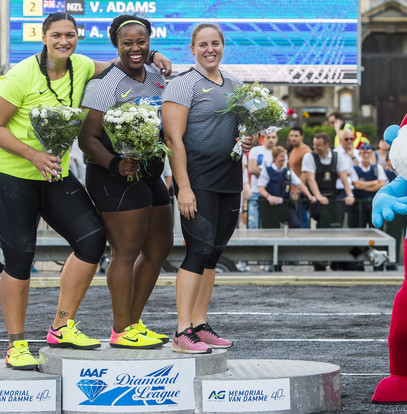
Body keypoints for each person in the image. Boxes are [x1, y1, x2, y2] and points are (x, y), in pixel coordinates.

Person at [0, 12, 172, 369]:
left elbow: (124, 57)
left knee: (90, 241)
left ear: (77, 38)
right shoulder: (20, 75)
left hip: (54, 173)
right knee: (20, 259)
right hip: (11, 174)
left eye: (70, 35)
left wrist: (154, 55)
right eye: (57, 35)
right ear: (43, 37)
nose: (64, 42)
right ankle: (16, 344)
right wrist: (33, 155)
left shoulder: (81, 65)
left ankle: (61, 325)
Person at [78, 15, 173, 349]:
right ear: (115, 45)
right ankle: (120, 329)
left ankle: (133, 321)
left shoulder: (158, 75)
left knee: (160, 247)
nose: (135, 48)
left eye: (141, 41)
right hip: (113, 175)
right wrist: (116, 164)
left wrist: (156, 55)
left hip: (149, 171)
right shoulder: (105, 83)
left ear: (149, 41)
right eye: (127, 43)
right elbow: (87, 138)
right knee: (125, 252)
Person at [162, 23, 253, 353]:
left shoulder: (235, 84)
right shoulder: (182, 85)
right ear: (192, 48)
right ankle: (181, 331)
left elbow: (241, 131)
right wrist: (183, 187)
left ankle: (199, 325)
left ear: (223, 46)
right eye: (203, 44)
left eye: (215, 43)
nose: (209, 49)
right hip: (197, 182)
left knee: (213, 254)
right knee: (197, 252)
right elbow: (173, 140)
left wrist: (249, 140)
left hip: (229, 181)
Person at [301, 132, 355, 228]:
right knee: (323, 219)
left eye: (318, 145)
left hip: (332, 195)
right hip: (316, 196)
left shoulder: (337, 156)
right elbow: (311, 180)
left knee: (337, 220)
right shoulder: (309, 157)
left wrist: (349, 195)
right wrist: (319, 196)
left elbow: (344, 178)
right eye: (314, 144)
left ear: (327, 145)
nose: (315, 147)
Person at [257, 146, 315, 228]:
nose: (283, 159)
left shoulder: (287, 171)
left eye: (284, 156)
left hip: (285, 204)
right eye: (281, 156)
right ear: (275, 157)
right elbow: (260, 188)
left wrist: (310, 196)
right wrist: (269, 197)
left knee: (295, 224)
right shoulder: (267, 171)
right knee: (271, 228)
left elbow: (300, 184)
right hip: (271, 206)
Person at [350, 143, 386, 228]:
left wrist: (363, 186)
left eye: (368, 153)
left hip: (374, 204)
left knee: (376, 229)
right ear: (360, 154)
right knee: (358, 228)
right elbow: (356, 185)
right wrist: (374, 182)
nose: (366, 155)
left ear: (371, 154)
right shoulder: (355, 168)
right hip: (359, 206)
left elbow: (381, 185)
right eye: (363, 153)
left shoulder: (377, 167)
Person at [247, 132, 277, 228]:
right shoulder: (256, 150)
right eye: (268, 137)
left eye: (273, 137)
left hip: (272, 192)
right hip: (256, 191)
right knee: (253, 222)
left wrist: (260, 170)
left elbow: (281, 172)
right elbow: (251, 169)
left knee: (270, 222)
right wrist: (271, 173)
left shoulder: (279, 152)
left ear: (277, 139)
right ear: (264, 139)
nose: (270, 139)